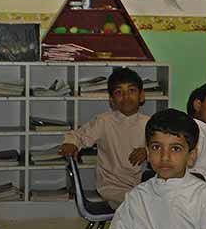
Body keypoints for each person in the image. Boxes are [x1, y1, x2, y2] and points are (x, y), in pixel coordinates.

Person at [60, 67, 149, 208]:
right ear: (112, 100)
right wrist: (71, 143)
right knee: (145, 206)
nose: (126, 97)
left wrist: (147, 152)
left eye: (131, 91)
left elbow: (161, 149)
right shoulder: (104, 121)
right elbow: (77, 135)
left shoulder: (149, 124)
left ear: (141, 96)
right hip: (111, 187)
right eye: (119, 92)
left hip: (139, 185)